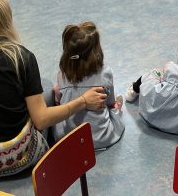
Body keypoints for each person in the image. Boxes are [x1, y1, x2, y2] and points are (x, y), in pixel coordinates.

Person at [0, 0, 107, 179]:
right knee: (46, 87)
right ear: (6, 22)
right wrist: (82, 101)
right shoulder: (23, 56)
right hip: (18, 158)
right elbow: (41, 120)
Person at [53, 22, 124, 150]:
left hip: (72, 140)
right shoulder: (105, 73)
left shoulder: (61, 75)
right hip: (102, 138)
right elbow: (110, 102)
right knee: (114, 106)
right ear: (96, 51)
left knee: (56, 89)